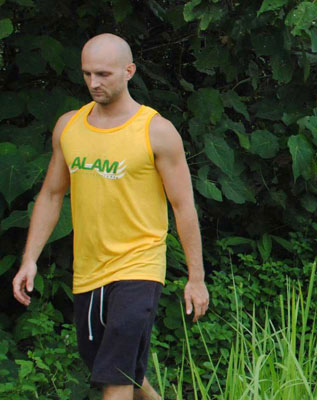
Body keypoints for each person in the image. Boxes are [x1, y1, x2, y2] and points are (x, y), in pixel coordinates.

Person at [10, 34, 209, 400]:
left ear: (129, 71)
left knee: (115, 376)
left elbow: (184, 207)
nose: (93, 83)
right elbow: (53, 195)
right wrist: (29, 260)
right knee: (113, 367)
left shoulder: (156, 132)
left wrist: (195, 277)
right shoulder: (69, 127)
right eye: (87, 74)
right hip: (89, 271)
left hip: (140, 266)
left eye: (103, 73)